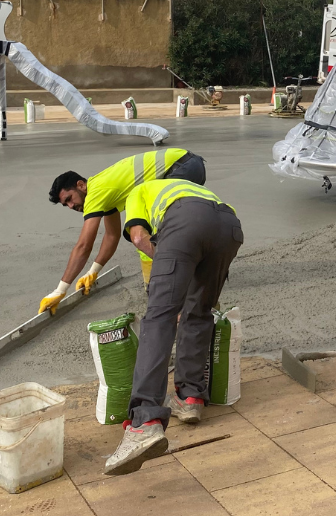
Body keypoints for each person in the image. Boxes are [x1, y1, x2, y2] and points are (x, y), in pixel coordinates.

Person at [104, 178, 243, 475]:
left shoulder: (135, 192)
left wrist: (173, 266)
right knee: (199, 311)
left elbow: (141, 238)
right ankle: (189, 397)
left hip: (185, 223)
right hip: (229, 226)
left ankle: (145, 421)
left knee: (159, 317)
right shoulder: (183, 187)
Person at [40, 149, 206, 313]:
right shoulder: (104, 193)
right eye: (65, 205)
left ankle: (187, 278)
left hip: (181, 168)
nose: (71, 206)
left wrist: (60, 290)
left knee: (157, 230)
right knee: (147, 227)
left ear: (81, 185)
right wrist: (92, 272)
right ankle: (166, 279)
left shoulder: (95, 193)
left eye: (69, 199)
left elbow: (84, 246)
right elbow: (112, 236)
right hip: (187, 163)